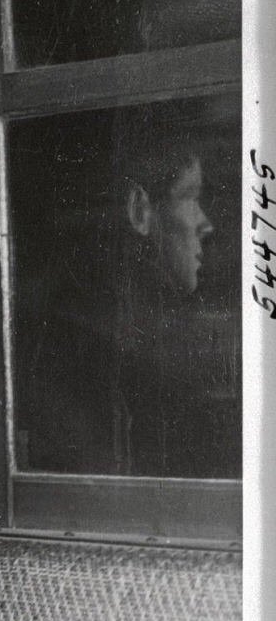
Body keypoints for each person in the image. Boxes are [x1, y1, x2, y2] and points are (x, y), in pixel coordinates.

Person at [17, 121, 236, 478]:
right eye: (190, 196)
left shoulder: (146, 334)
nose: (205, 223)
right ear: (139, 210)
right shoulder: (86, 346)